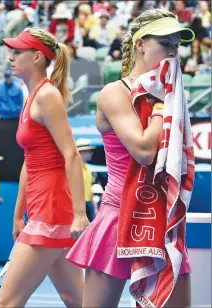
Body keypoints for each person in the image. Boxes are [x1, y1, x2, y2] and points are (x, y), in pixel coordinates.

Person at [67, 9, 195, 307]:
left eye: (176, 46)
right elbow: (144, 151)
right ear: (141, 44)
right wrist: (163, 106)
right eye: (166, 44)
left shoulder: (171, 95)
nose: (173, 54)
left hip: (161, 220)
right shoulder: (115, 93)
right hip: (119, 216)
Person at [0, 26, 89, 307]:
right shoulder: (32, 98)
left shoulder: (47, 96)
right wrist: (17, 214)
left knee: (7, 303)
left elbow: (71, 155)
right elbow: (29, 163)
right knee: (76, 300)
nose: (10, 57)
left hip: (52, 210)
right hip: (43, 208)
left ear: (37, 57)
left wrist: (79, 214)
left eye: (17, 52)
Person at [76, 138, 96, 222]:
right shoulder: (75, 168)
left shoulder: (87, 168)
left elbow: (89, 188)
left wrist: (94, 206)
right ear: (82, 152)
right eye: (89, 151)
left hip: (87, 204)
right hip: (79, 205)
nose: (92, 153)